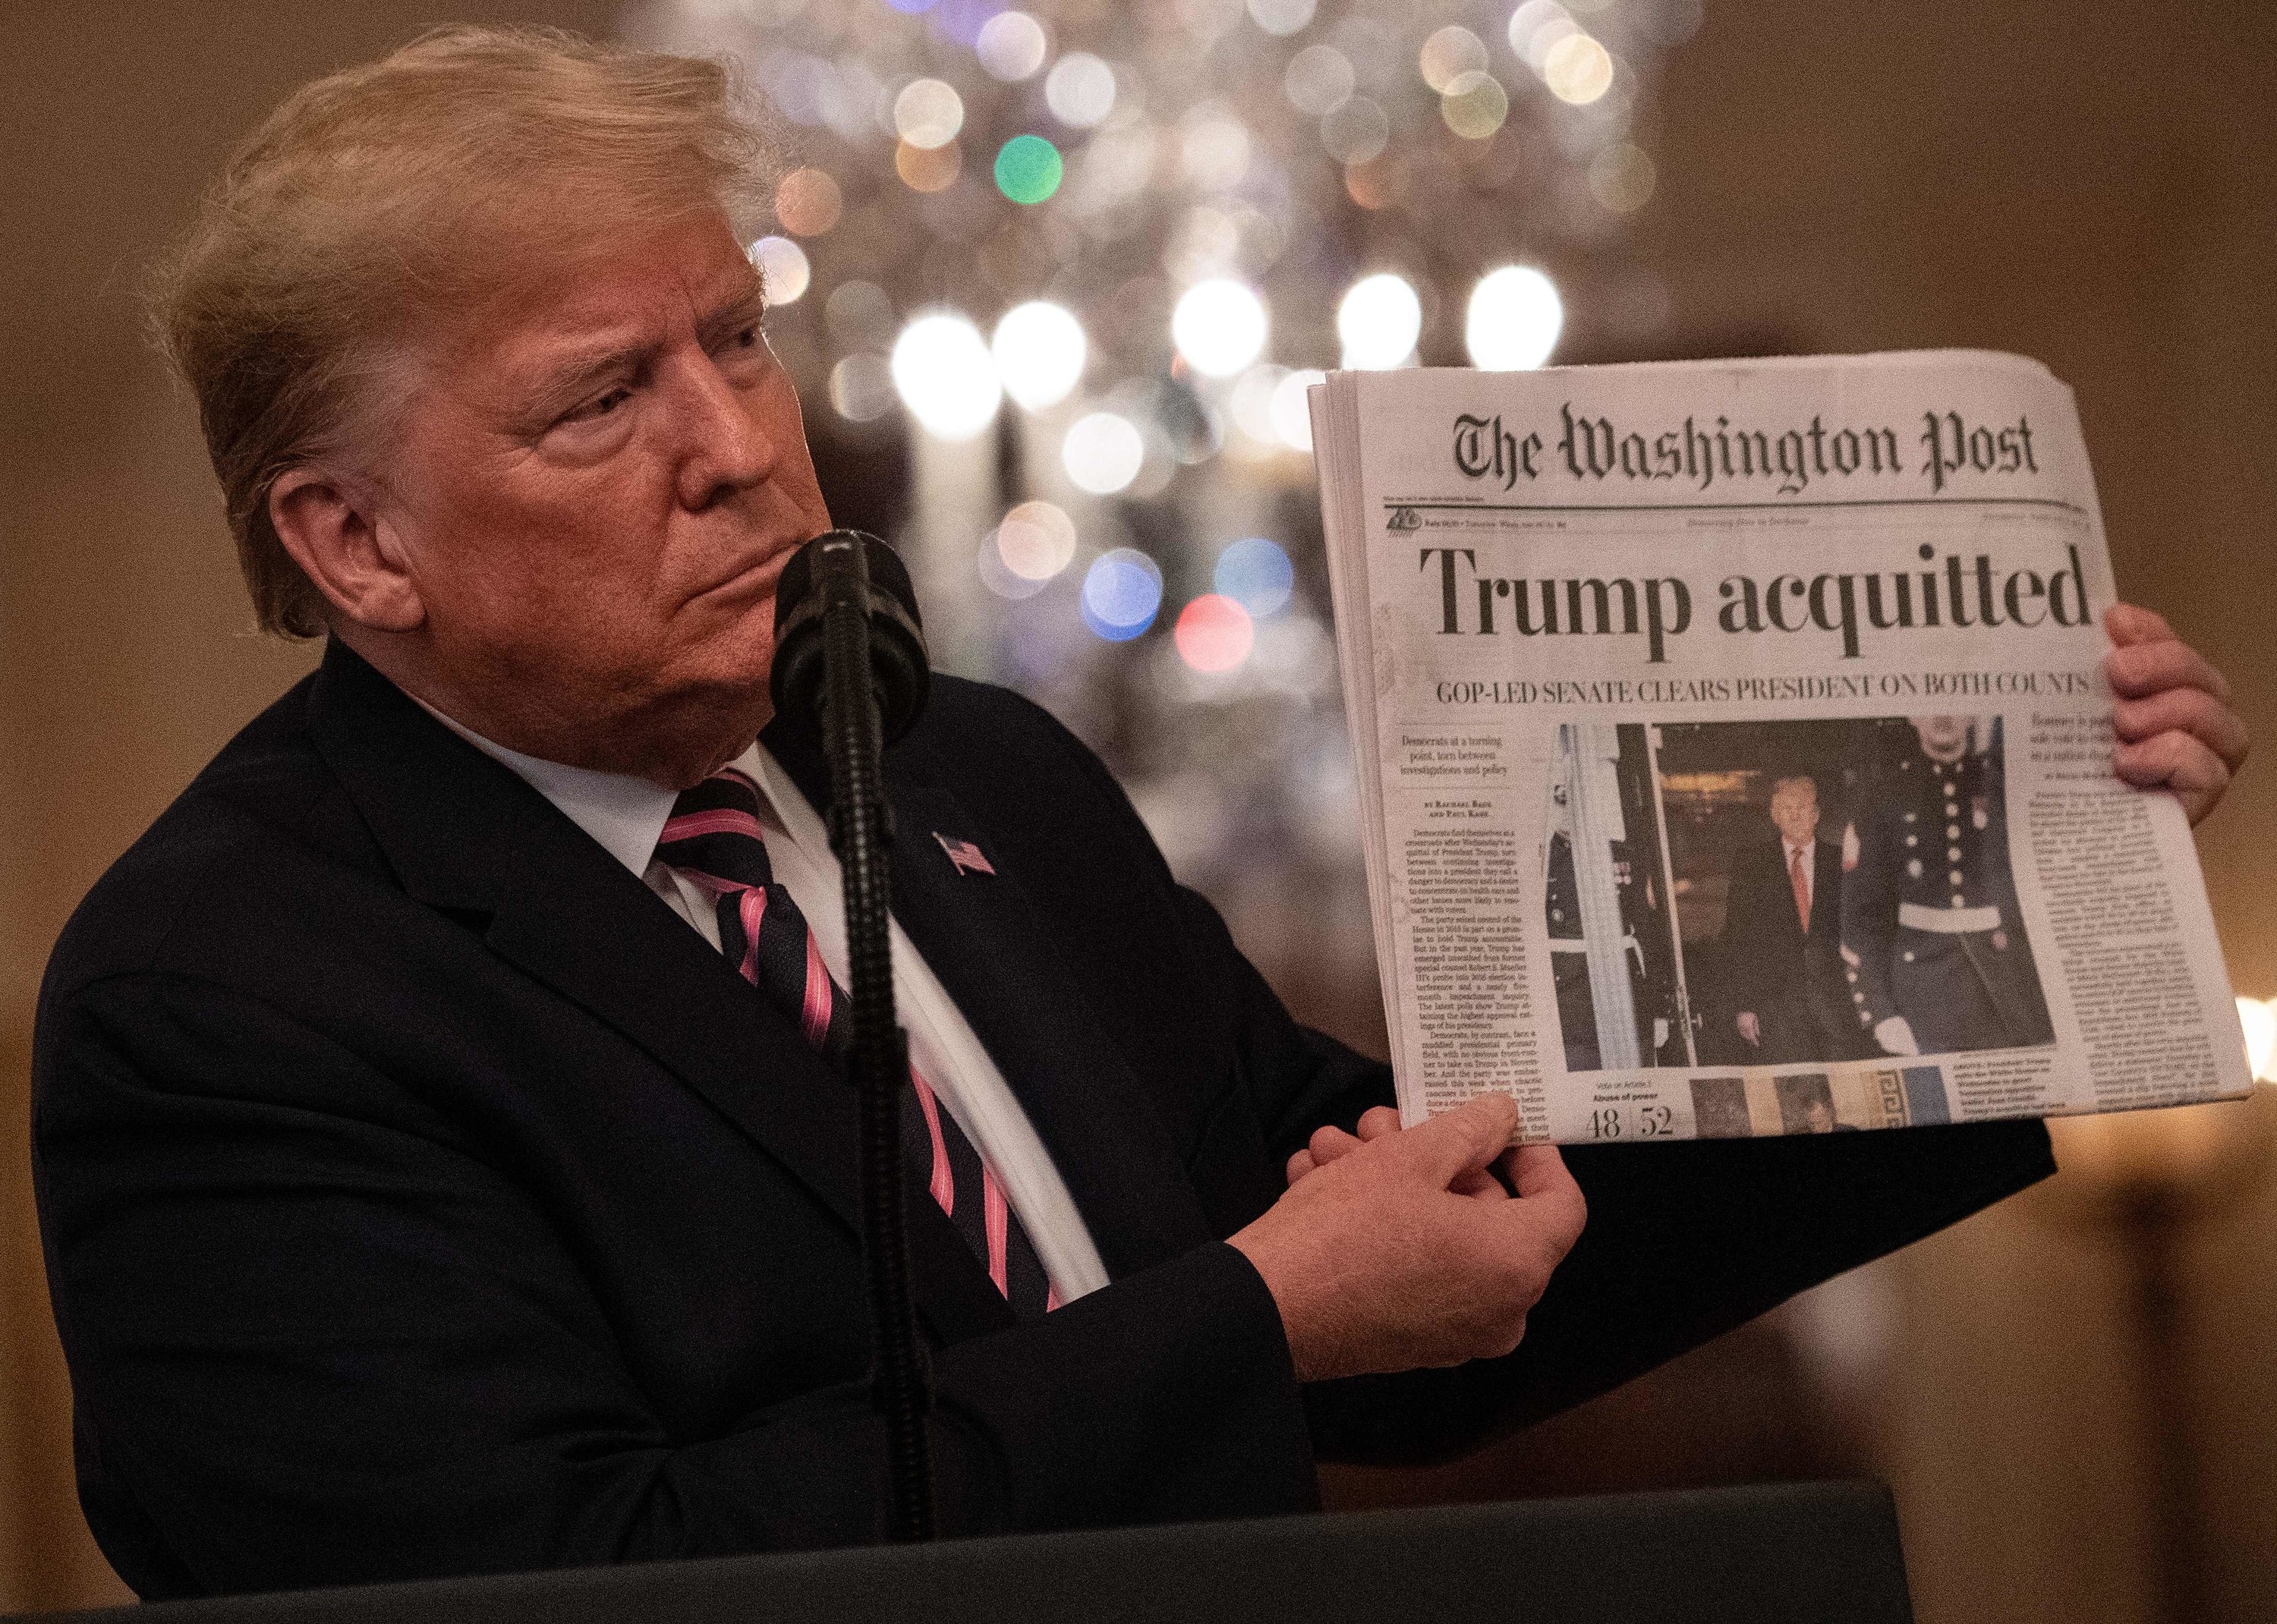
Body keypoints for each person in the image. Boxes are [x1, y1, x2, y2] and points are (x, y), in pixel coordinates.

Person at [28, 27, 2248, 1601]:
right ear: (353, 541)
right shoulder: (222, 992)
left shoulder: (966, 766)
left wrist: (1983, 903)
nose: (740, 445)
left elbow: (1426, 1253)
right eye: (602, 398)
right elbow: (564, 1575)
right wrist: (1260, 1321)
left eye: (735, 337)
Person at [1841, 717, 2053, 1056]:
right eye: (1930, 703)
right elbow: (1861, 921)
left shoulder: (2005, 786)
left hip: (2006, 985)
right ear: (1912, 716)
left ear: (1970, 713)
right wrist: (1880, 1014)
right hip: (1922, 990)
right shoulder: (1884, 795)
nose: (1943, 715)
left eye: (1954, 703)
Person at [1722, 776, 1857, 1064]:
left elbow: (1863, 930)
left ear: (1816, 815)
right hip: (1777, 1005)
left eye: (1802, 806)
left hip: (1840, 1000)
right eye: (1785, 808)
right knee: (1797, 1092)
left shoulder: (1840, 861)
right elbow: (1737, 939)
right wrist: (1744, 1006)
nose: (1795, 814)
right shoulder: (1751, 865)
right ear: (1774, 816)